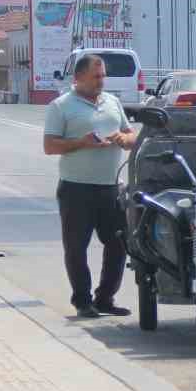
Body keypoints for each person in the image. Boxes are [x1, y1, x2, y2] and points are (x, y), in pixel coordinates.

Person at [42, 53, 136, 318]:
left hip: (110, 187)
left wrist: (124, 138)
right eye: (96, 76)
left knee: (118, 244)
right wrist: (82, 143)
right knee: (76, 247)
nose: (101, 81)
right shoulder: (61, 106)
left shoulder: (113, 102)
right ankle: (82, 301)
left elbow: (132, 135)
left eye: (103, 75)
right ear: (78, 77)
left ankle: (105, 298)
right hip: (76, 189)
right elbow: (49, 146)